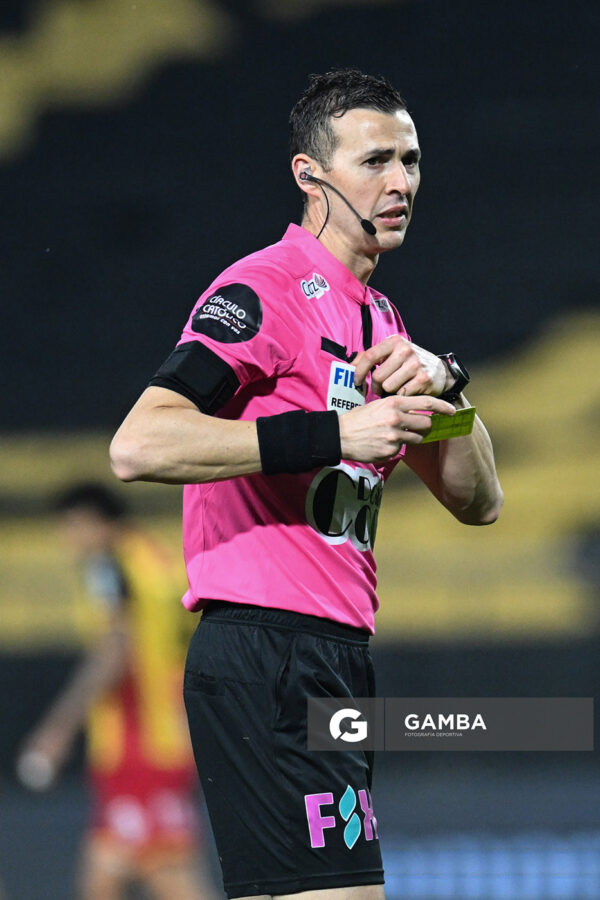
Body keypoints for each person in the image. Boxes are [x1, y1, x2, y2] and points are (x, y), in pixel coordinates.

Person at [109, 69, 503, 900]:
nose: (401, 183)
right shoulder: (265, 290)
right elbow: (139, 444)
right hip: (265, 652)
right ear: (310, 175)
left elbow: (479, 502)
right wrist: (334, 433)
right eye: (375, 161)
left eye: (410, 161)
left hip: (336, 658)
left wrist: (448, 382)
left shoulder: (383, 323)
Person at [16, 483, 217, 900]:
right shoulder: (153, 557)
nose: (67, 539)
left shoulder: (107, 567)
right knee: (103, 874)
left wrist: (57, 730)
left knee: (169, 876)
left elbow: (114, 650)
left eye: (72, 526)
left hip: (139, 743)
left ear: (98, 523)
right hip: (168, 734)